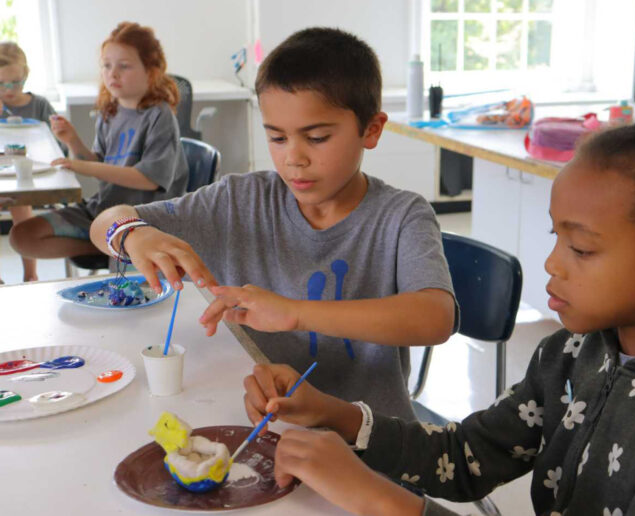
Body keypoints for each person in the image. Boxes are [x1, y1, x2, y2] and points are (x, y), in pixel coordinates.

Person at [242, 120, 635, 515]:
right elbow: (466, 456)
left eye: (582, 249)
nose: (551, 263)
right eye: (555, 238)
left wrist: (380, 501)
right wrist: (334, 413)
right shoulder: (570, 353)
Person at [89, 27, 456, 421]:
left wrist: (295, 313)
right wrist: (131, 233)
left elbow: (434, 317)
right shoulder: (239, 201)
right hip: (261, 428)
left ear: (371, 129)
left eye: (316, 138)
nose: (293, 158)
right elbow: (105, 222)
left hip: (366, 440)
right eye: (277, 138)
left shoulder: (402, 216)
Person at [9, 22, 188, 263]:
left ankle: (123, 247)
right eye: (106, 65)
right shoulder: (111, 112)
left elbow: (149, 179)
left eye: (124, 66)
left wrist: (83, 167)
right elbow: (102, 166)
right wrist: (74, 143)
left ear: (151, 70)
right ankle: (111, 246)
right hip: (104, 211)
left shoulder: (159, 115)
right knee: (22, 236)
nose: (112, 73)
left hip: (142, 218)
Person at [0, 41, 59, 283]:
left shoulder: (39, 105)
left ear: (26, 75)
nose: (9, 89)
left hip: (30, 174)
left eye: (16, 82)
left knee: (20, 200)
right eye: (1, 84)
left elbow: (57, 146)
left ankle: (30, 274)